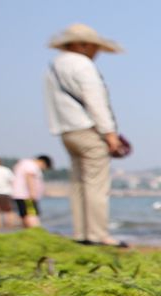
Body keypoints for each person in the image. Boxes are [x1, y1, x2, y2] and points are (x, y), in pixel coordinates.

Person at [44, 23, 127, 247]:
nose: (97, 52)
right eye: (95, 47)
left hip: (65, 130)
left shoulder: (54, 66)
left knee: (79, 183)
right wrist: (110, 134)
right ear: (82, 45)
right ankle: (99, 235)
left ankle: (81, 233)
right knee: (96, 185)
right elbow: (95, 101)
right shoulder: (83, 65)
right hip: (88, 129)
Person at [11, 155, 53, 228]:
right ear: (43, 162)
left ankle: (27, 232)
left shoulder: (23, 163)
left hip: (19, 194)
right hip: (26, 195)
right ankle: (35, 231)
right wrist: (32, 193)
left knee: (24, 214)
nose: (43, 169)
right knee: (31, 214)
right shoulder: (31, 165)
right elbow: (29, 177)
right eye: (44, 167)